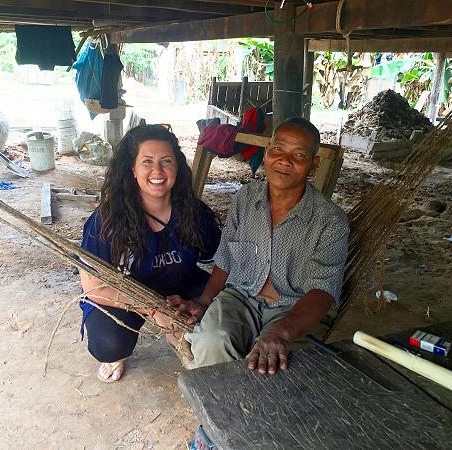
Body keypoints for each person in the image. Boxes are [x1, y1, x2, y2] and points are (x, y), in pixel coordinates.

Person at [167, 117, 350, 378]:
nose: (285, 160)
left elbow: (323, 290)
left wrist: (283, 330)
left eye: (298, 154)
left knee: (274, 366)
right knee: (211, 340)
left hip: (290, 308)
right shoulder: (245, 198)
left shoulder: (330, 220)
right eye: (278, 149)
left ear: (314, 164)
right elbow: (227, 256)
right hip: (239, 298)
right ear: (266, 152)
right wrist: (205, 301)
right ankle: (220, 412)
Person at [79, 124, 221, 382]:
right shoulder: (107, 219)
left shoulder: (193, 213)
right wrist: (154, 311)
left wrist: (201, 303)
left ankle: (178, 332)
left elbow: (223, 263)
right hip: (127, 293)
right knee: (109, 344)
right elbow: (93, 286)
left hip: (181, 286)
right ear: (132, 169)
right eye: (147, 161)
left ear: (177, 167)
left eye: (166, 161)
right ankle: (123, 348)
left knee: (224, 311)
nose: (157, 171)